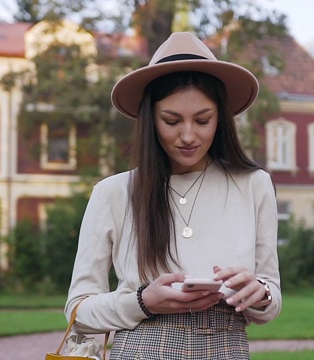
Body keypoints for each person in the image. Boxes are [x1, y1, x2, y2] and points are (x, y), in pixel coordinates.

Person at [65, 31, 281, 359]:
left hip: (227, 347)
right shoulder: (113, 193)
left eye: (203, 120)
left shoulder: (253, 185)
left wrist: (259, 293)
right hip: (143, 347)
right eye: (171, 121)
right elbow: (78, 310)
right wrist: (141, 302)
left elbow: (270, 300)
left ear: (221, 119)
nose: (188, 135)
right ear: (150, 120)